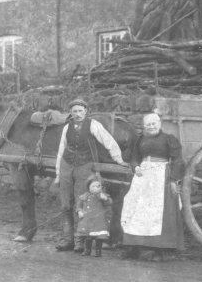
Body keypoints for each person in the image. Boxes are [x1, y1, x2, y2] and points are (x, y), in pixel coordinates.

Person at [54, 98, 127, 252]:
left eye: (80, 111)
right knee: (65, 204)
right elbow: (61, 150)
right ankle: (67, 240)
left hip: (84, 166)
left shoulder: (93, 125)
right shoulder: (67, 127)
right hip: (66, 165)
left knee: (81, 203)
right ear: (71, 113)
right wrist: (58, 173)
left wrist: (118, 159)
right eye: (74, 111)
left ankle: (79, 241)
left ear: (86, 111)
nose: (78, 114)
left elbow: (108, 141)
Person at [120, 112, 185, 261]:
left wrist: (174, 180)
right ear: (144, 127)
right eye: (148, 124)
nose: (151, 127)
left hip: (160, 176)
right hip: (142, 177)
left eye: (154, 123)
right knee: (135, 206)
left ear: (159, 124)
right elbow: (135, 157)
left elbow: (178, 160)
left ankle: (158, 247)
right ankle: (135, 245)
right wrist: (136, 167)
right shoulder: (140, 140)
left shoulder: (169, 139)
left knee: (157, 210)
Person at [76, 174, 113, 258]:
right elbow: (79, 205)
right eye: (93, 186)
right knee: (88, 236)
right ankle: (87, 250)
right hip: (88, 220)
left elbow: (109, 203)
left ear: (101, 187)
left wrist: (106, 199)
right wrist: (79, 211)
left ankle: (98, 251)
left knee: (99, 238)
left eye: (98, 186)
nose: (96, 188)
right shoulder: (85, 196)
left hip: (99, 220)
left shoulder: (103, 196)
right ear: (88, 187)